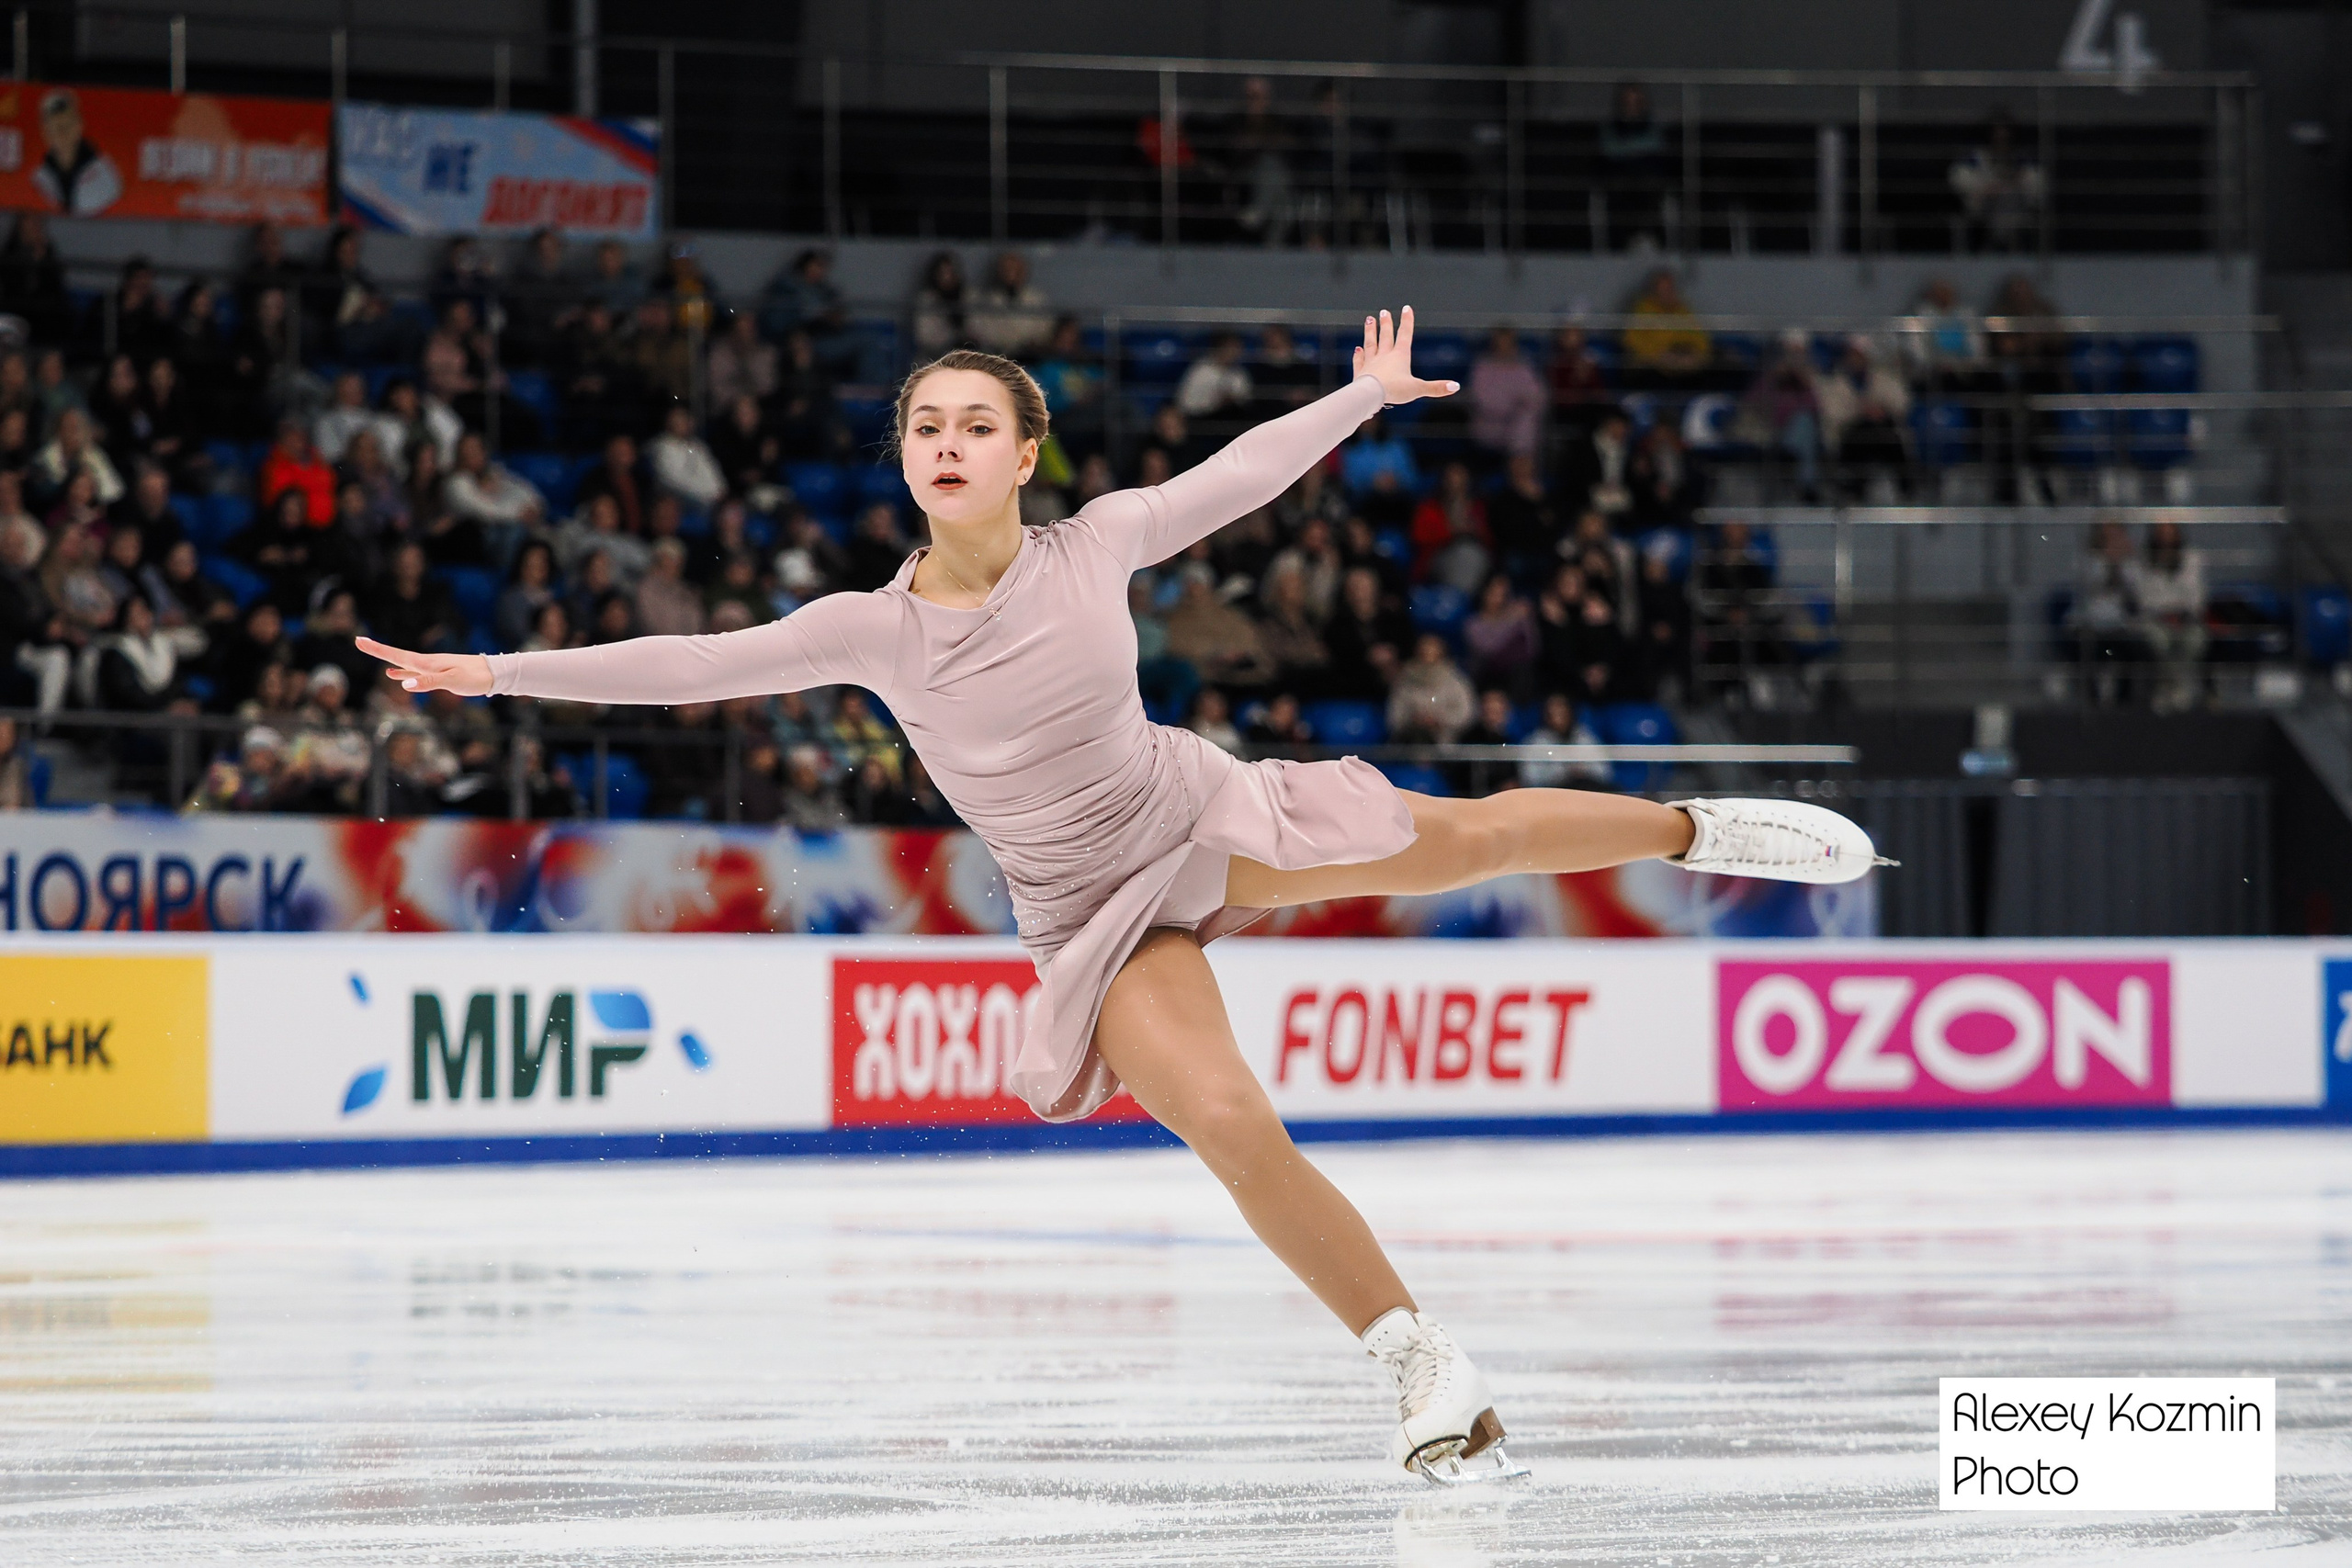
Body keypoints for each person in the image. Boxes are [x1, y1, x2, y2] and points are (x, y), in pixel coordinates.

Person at [357, 308, 1884, 1484]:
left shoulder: (1098, 543)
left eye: (977, 424)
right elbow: (692, 664)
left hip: (1198, 811)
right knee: (1228, 1120)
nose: (947, 444)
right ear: (905, 458)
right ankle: (1424, 1364)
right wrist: (495, 669)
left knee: (1465, 840)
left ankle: (1696, 825)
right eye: (925, 426)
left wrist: (1359, 397)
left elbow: (1240, 474)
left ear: (1027, 455)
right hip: (1094, 910)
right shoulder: (870, 628)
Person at [2126, 520, 2208, 714]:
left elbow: (2196, 596)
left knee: (2195, 639)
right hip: (2153, 620)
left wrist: (2179, 613)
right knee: (2158, 640)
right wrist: (2165, 612)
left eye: (2169, 533)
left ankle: (2177, 686)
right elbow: (2144, 598)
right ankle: (2168, 686)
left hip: (2184, 619)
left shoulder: (2192, 558)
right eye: (2161, 533)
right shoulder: (2141, 561)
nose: (2165, 538)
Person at [1950, 110, 2047, 254]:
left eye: (2005, 138)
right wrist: (1987, 189)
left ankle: (2013, 249)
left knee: (2010, 200)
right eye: (1996, 137)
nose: (2001, 141)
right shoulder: (1974, 160)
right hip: (1983, 217)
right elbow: (1958, 180)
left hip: (2017, 219)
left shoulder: (2024, 162)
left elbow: (2039, 189)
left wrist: (2016, 182)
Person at [1466, 328, 1544, 465]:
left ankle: (1521, 468)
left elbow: (1536, 397)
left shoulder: (1523, 366)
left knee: (1526, 421)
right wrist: (1513, 405)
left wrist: (1519, 406)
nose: (1504, 347)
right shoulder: (1482, 368)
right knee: (1523, 424)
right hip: (1489, 425)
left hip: (1519, 426)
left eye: (1508, 343)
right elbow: (1482, 401)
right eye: (1500, 343)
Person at [969, 250, 1053, 359]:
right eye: (1007, 270)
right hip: (995, 357)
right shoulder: (986, 300)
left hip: (1029, 358)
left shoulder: (1037, 300)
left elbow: (1044, 332)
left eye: (1016, 270)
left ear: (1023, 272)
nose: (1011, 274)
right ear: (999, 272)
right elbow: (979, 332)